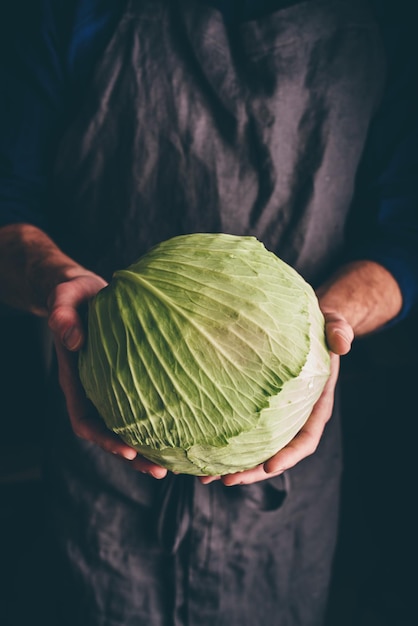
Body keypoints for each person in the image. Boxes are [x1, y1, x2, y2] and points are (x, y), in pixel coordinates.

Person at [0, 1, 417, 625]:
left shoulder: (387, 21)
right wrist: (54, 278)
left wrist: (331, 325)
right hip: (103, 445)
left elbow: (404, 235)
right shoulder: (65, 11)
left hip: (292, 458)